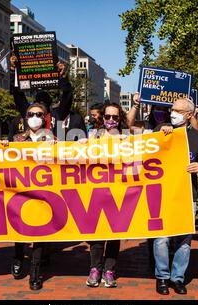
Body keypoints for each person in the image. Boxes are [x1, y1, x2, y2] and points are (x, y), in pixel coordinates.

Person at [153, 98, 198, 295]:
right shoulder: (162, 131)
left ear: (188, 115)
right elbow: (147, 153)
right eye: (172, 109)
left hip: (187, 195)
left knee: (184, 241)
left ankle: (177, 278)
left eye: (177, 110)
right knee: (161, 239)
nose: (172, 113)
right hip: (162, 194)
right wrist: (161, 135)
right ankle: (161, 277)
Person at [0, 103, 55, 291]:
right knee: (20, 229)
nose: (34, 117)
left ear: (45, 117)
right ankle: (17, 257)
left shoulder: (54, 141)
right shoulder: (16, 139)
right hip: (21, 193)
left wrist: (75, 146)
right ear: (25, 117)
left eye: (39, 114)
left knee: (39, 233)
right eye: (31, 114)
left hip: (43, 194)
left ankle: (35, 272)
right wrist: (3, 149)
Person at [81, 102, 128, 288]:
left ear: (120, 118)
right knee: (98, 234)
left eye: (115, 117)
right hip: (97, 191)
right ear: (102, 117)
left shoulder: (127, 138)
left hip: (118, 193)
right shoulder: (94, 135)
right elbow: (81, 158)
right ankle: (95, 268)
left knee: (114, 234)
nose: (111, 120)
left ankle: (109, 270)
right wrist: (80, 144)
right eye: (107, 116)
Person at [8, 54, 73, 138]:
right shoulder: (29, 113)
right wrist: (14, 71)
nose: (35, 115)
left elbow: (67, 96)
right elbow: (18, 95)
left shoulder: (57, 115)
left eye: (39, 114)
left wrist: (62, 76)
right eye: (33, 113)